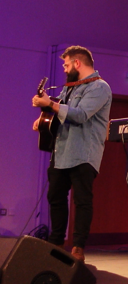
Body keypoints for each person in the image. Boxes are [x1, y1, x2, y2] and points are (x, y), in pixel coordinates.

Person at [31, 46, 112, 263]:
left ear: (77, 63)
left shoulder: (100, 87)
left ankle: (78, 247)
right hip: (62, 152)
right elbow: (60, 108)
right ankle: (56, 242)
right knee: (55, 196)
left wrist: (50, 104)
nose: (65, 70)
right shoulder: (71, 88)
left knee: (82, 200)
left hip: (84, 153)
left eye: (66, 65)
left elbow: (81, 115)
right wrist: (45, 116)